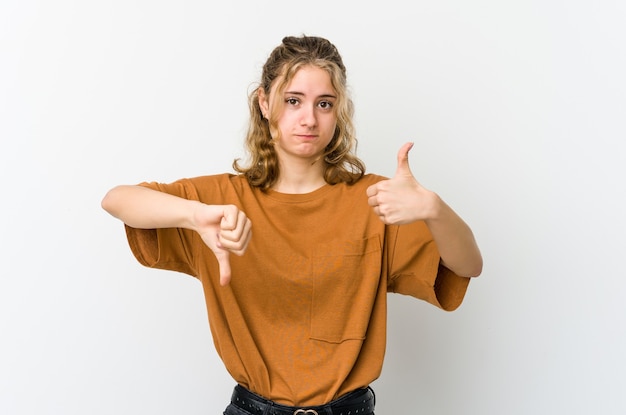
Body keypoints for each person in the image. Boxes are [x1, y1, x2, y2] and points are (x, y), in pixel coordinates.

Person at [101, 35, 482, 415]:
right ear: (265, 103)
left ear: (339, 110)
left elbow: (468, 266)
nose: (309, 119)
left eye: (325, 104)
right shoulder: (219, 201)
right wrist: (194, 215)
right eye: (293, 100)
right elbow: (117, 199)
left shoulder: (376, 200)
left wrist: (434, 208)